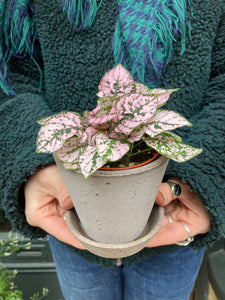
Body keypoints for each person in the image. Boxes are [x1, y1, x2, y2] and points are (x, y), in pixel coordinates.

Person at [0, 0, 224, 299]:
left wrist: (206, 176)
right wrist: (32, 164)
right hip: (72, 214)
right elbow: (11, 72)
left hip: (177, 216)